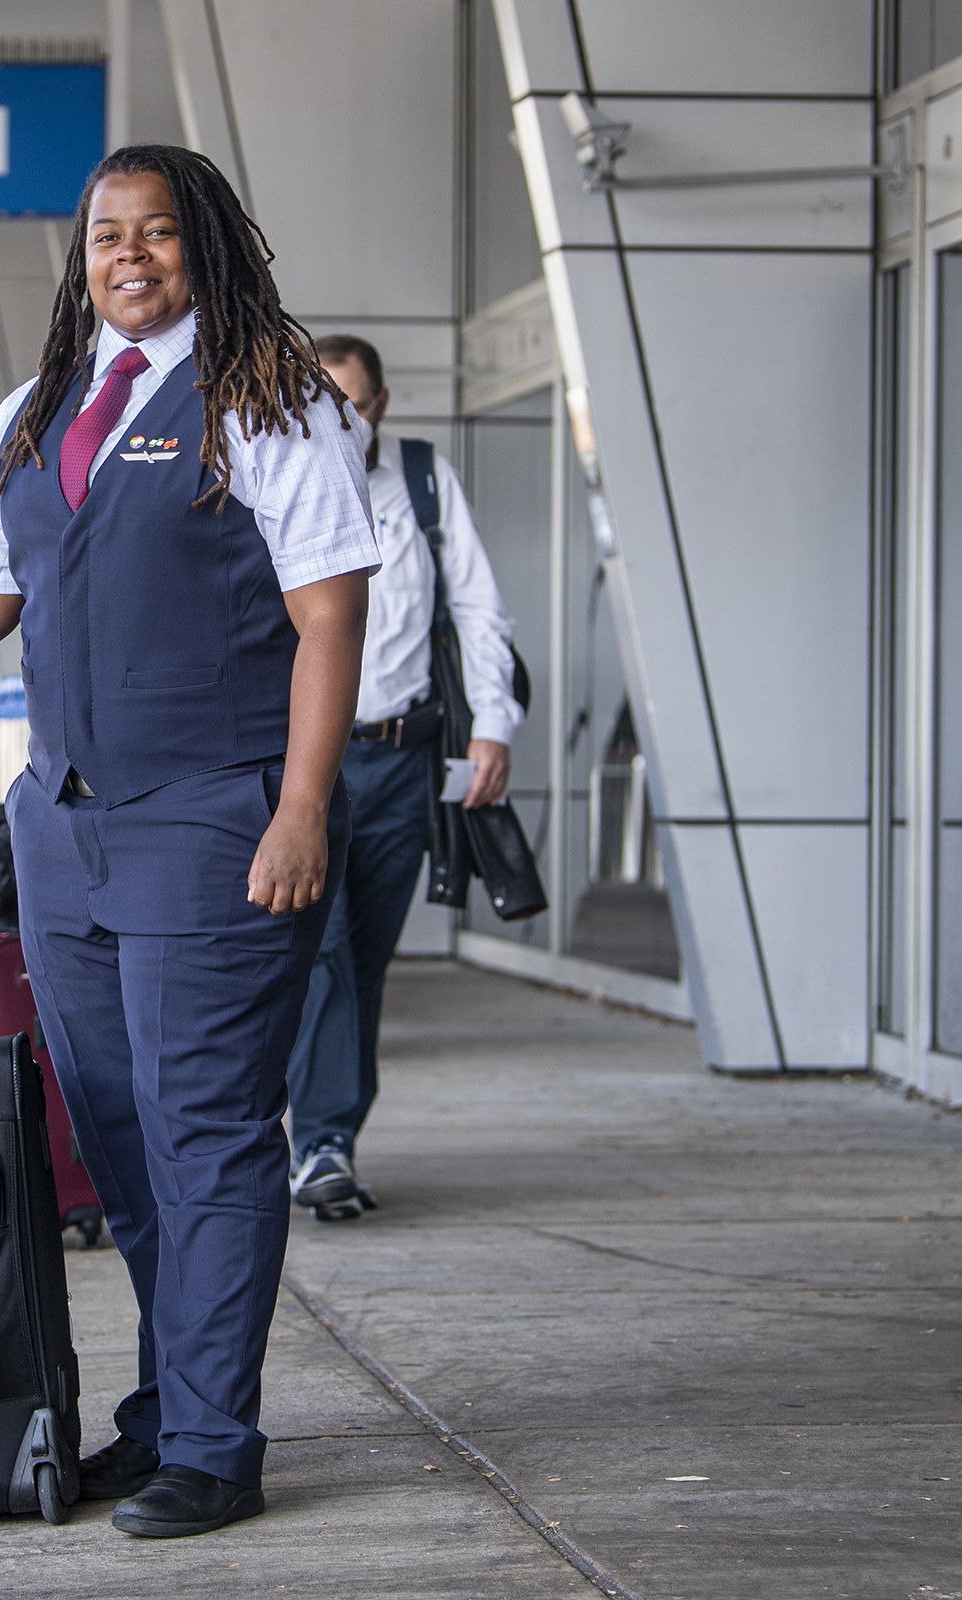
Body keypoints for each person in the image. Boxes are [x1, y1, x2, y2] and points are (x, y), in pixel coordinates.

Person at [0, 145, 378, 1539]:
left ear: (207, 245)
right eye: (109, 234)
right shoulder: (36, 409)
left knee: (210, 1135)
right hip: (65, 830)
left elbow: (330, 622)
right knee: (112, 1141)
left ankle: (218, 1449)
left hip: (217, 819)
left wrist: (301, 808)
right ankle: (171, 1414)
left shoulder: (268, 402)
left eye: (161, 234)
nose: (132, 257)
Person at [282, 334, 523, 1222]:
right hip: (307, 756)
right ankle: (322, 1141)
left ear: (379, 405)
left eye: (354, 401)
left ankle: (320, 1125)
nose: (339, 417)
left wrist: (493, 726)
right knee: (322, 949)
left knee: (365, 955)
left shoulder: (422, 478)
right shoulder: (280, 474)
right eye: (323, 399)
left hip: (399, 758)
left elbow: (477, 605)